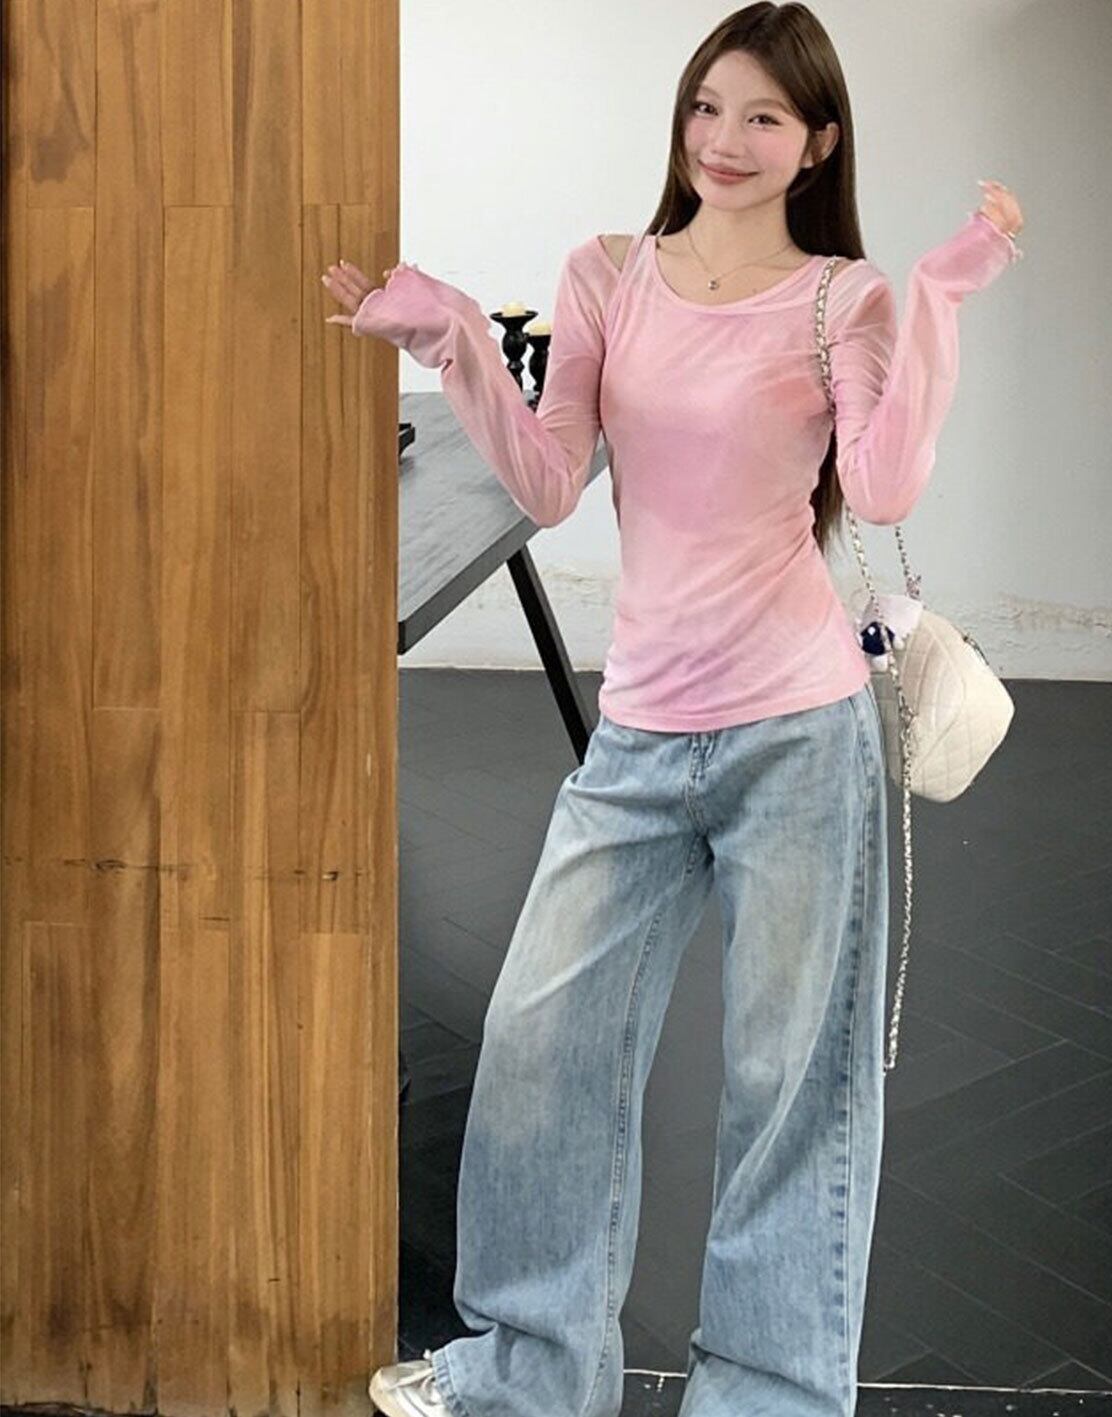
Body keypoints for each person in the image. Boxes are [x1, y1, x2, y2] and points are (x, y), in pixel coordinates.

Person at [321, 5, 1023, 1414]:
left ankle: (768, 1392)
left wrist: (939, 296)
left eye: (763, 117)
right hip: (640, 731)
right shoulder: (607, 273)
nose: (725, 139)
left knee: (790, 1083)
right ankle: (531, 1375)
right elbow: (546, 483)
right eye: (708, 107)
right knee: (542, 1048)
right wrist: (454, 336)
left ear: (817, 142)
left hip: (800, 732)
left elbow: (884, 485)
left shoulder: (842, 299)